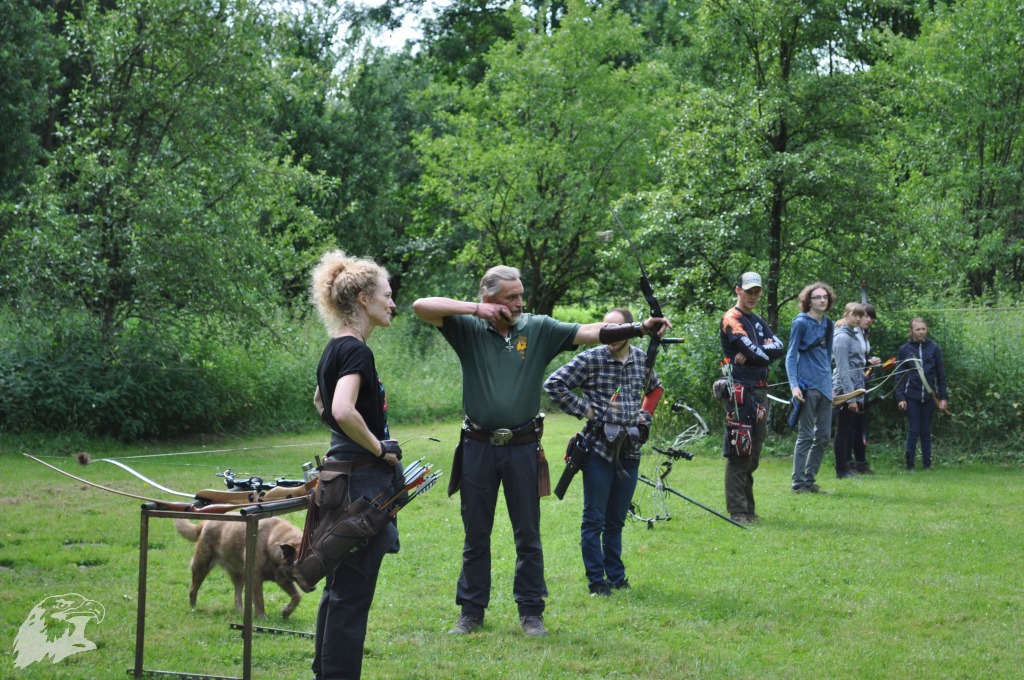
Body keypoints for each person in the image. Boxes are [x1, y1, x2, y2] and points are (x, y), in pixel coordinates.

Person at [413, 267, 669, 637]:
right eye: (510, 298)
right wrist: (474, 310)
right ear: (489, 299)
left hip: (522, 446)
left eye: (520, 296)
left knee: (528, 534)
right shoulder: (467, 327)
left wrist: (640, 328)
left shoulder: (537, 327)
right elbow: (421, 305)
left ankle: (531, 612)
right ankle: (471, 613)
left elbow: (590, 332)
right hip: (478, 446)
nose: (519, 303)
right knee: (476, 534)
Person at [309, 250, 403, 680]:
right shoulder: (357, 351)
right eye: (387, 295)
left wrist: (352, 438)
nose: (392, 303)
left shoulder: (335, 348)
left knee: (338, 590)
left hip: (338, 477)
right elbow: (343, 409)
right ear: (363, 298)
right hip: (360, 483)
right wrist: (379, 448)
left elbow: (321, 404)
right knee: (352, 595)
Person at [543, 307, 664, 595]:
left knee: (616, 520)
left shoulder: (641, 359)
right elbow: (553, 385)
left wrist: (644, 419)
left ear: (629, 329)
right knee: (594, 519)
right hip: (598, 450)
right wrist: (587, 411)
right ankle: (597, 582)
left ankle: (617, 578)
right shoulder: (591, 357)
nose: (611, 335)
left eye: (617, 329)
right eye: (607, 329)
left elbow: (655, 389)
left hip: (630, 451)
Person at [717, 272, 785, 524]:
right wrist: (759, 352)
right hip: (740, 393)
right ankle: (738, 511)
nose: (753, 296)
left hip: (759, 392)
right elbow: (750, 348)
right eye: (749, 291)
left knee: (754, 453)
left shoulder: (757, 321)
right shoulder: (731, 318)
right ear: (738, 290)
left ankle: (748, 509)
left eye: (757, 291)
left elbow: (778, 346)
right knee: (740, 450)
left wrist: (758, 352)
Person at [785, 281, 836, 493]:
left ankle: (809, 480)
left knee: (823, 437)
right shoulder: (800, 323)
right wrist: (794, 386)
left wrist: (831, 383)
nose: (822, 300)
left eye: (825, 297)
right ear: (808, 301)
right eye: (817, 297)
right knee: (805, 436)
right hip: (807, 386)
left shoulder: (829, 324)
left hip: (825, 386)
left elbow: (827, 355)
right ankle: (798, 484)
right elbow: (790, 355)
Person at [896, 317, 949, 471]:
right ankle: (910, 465)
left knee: (926, 431)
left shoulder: (934, 348)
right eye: (917, 329)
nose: (920, 332)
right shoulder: (904, 349)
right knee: (913, 430)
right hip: (911, 396)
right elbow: (899, 375)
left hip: (929, 396)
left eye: (923, 329)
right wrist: (900, 397)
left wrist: (943, 397)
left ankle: (927, 464)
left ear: (926, 330)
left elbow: (941, 374)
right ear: (911, 331)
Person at [832, 302, 867, 479]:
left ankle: (846, 466)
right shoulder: (842, 338)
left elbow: (856, 363)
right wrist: (851, 398)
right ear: (846, 314)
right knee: (843, 430)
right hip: (843, 390)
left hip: (856, 387)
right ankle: (841, 469)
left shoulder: (854, 335)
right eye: (855, 315)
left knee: (849, 428)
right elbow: (843, 369)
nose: (858, 318)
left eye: (860, 315)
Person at [848, 304, 881, 475]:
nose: (868, 320)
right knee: (850, 424)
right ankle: (847, 463)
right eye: (865, 316)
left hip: (861, 383)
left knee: (860, 424)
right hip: (850, 384)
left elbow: (861, 359)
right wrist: (866, 363)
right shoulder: (851, 333)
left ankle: (860, 462)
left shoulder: (863, 334)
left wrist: (869, 362)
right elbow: (849, 359)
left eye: (871, 317)